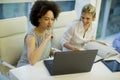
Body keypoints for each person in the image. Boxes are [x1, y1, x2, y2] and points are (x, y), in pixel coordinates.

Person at [17, 1, 60, 67]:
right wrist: (46, 40)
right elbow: (32, 61)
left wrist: (56, 53)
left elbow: (44, 50)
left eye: (52, 19)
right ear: (38, 19)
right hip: (25, 68)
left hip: (39, 66)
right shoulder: (31, 37)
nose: (50, 22)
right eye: (46, 19)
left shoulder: (47, 32)